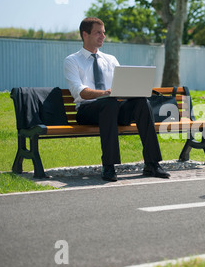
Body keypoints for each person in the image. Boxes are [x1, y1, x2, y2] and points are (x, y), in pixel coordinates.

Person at [64, 17, 170, 181]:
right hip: (87, 111)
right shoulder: (72, 61)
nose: (103, 36)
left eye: (104, 33)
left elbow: (121, 87)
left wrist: (134, 90)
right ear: (85, 34)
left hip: (112, 108)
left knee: (141, 101)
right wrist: (105, 93)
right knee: (109, 102)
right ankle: (109, 166)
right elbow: (81, 92)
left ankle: (152, 163)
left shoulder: (110, 59)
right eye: (98, 32)